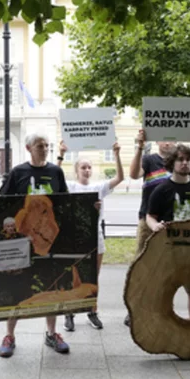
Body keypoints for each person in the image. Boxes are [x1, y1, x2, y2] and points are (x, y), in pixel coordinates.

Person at [0, 133, 70, 358]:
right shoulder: (18, 172)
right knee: (16, 286)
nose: (44, 149)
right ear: (28, 148)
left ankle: (52, 333)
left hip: (45, 242)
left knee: (49, 286)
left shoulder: (56, 172)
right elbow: (1, 202)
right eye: (39, 145)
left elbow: (66, 201)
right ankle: (9, 336)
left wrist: (91, 207)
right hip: (20, 244)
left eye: (47, 145)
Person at [125, 128, 190, 325]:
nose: (167, 142)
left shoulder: (185, 161)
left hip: (182, 226)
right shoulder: (150, 159)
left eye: (171, 138)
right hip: (150, 221)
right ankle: (135, 309)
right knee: (143, 266)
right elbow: (134, 174)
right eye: (163, 138)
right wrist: (139, 147)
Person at [57, 141, 124, 330]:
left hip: (95, 237)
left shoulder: (99, 187)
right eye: (83, 167)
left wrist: (117, 154)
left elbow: (119, 177)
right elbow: (55, 177)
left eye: (89, 167)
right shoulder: (69, 186)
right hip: (74, 239)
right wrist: (61, 154)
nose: (87, 170)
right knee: (73, 277)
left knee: (92, 277)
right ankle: (69, 313)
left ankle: (92, 311)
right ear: (76, 170)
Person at [147, 144, 190, 319]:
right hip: (169, 249)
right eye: (180, 159)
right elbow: (150, 216)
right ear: (172, 163)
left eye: (188, 160)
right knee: (164, 291)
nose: (185, 163)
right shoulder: (161, 189)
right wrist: (155, 226)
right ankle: (166, 328)